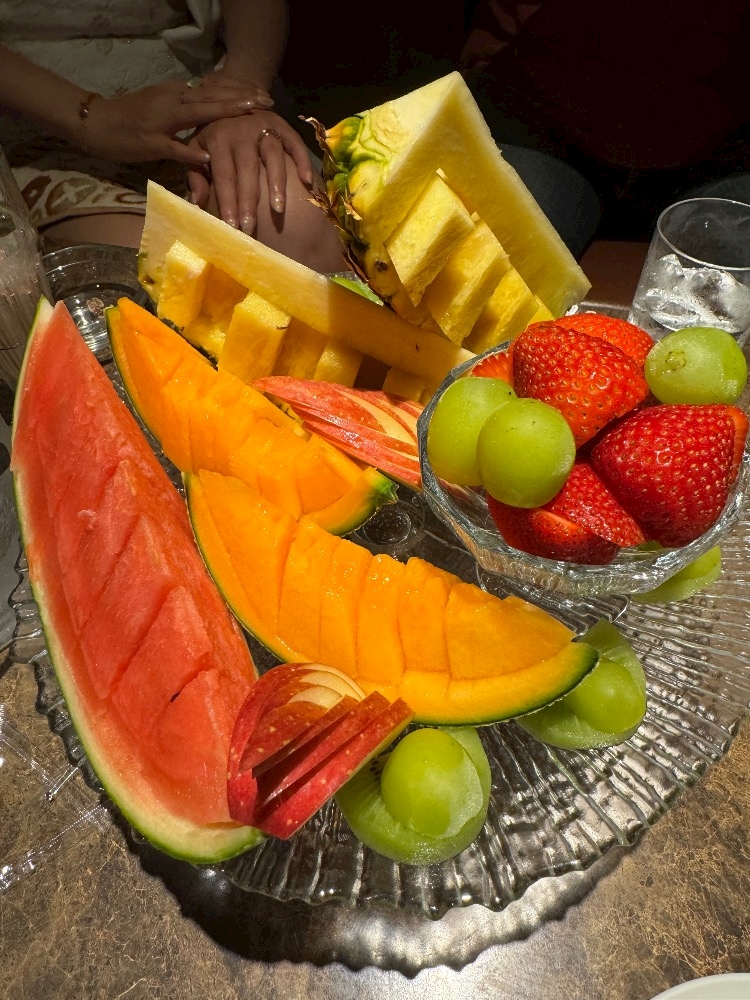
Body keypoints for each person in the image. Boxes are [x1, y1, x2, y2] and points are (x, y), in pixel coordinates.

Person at [0, 0, 344, 271]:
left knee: (298, 223)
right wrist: (94, 120)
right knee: (167, 269)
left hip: (199, 94)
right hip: (42, 127)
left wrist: (237, 95)